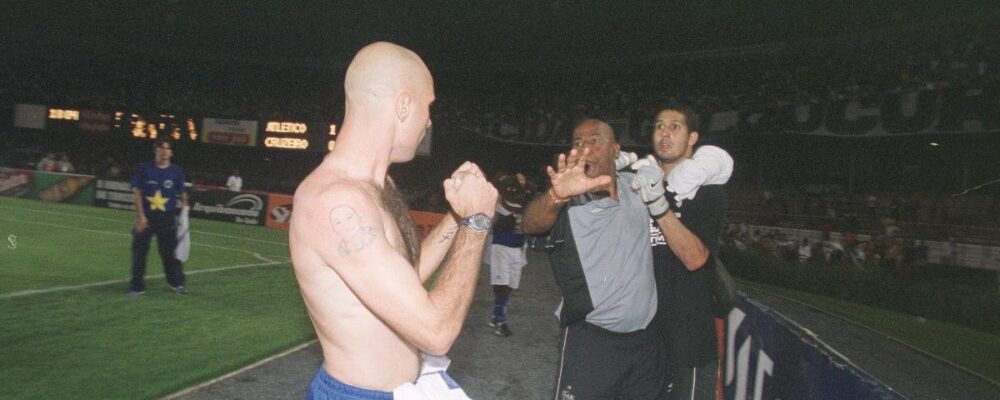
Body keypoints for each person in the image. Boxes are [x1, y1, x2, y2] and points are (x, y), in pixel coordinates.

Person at [289, 42, 497, 400]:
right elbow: (436, 331)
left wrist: (456, 216)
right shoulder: (336, 202)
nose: (429, 121)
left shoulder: (379, 185)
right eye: (427, 107)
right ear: (403, 105)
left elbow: (404, 282)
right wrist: (476, 222)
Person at [522, 118, 664, 400]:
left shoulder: (638, 189)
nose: (585, 148)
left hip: (646, 343)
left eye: (595, 140)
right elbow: (530, 223)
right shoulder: (570, 200)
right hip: (592, 342)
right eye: (577, 143)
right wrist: (556, 195)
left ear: (615, 149)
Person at [641, 106, 729, 400]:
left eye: (675, 127)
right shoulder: (640, 184)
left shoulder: (709, 193)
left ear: (693, 137)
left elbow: (695, 258)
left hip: (687, 342)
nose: (664, 133)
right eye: (659, 126)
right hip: (641, 340)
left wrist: (657, 205)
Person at [128, 139, 189, 296]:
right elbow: (137, 193)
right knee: (139, 252)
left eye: (167, 149)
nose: (164, 151)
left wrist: (185, 211)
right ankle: (137, 286)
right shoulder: (144, 169)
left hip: (167, 218)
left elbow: (182, 193)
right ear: (155, 151)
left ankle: (176, 282)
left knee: (170, 253)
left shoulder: (176, 171)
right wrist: (140, 217)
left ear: (171, 152)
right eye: (161, 148)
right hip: (146, 217)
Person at [486, 172, 532, 337]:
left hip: (518, 249)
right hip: (501, 248)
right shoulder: (501, 204)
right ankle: (500, 321)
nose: (521, 184)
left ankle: (495, 315)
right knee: (502, 285)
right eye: (518, 181)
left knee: (510, 286)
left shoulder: (526, 205)